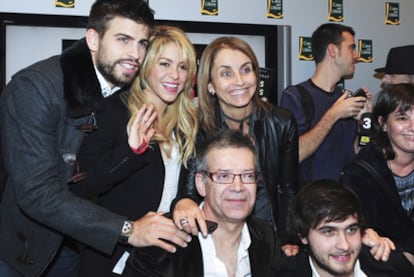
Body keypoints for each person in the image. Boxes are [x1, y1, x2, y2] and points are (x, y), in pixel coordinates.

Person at [0, 1, 184, 276]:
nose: (135, 53)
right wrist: (128, 229)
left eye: (142, 43)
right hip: (26, 249)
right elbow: (38, 194)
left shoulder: (128, 89)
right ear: (93, 39)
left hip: (81, 246)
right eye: (123, 39)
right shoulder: (35, 88)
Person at [69, 25, 198, 276]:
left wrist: (187, 200)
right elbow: (80, 186)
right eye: (164, 64)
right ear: (145, 65)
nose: (175, 75)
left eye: (183, 66)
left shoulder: (187, 122)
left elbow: (190, 186)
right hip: (117, 258)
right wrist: (130, 151)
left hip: (168, 260)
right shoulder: (113, 112)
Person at [170, 36, 300, 255]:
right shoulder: (196, 128)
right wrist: (182, 203)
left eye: (246, 70)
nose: (240, 81)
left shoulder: (282, 122)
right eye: (226, 73)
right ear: (210, 85)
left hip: (270, 238)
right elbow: (190, 192)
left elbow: (290, 189)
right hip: (216, 237)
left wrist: (287, 238)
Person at [122, 130, 282, 276]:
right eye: (223, 176)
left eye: (247, 175)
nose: (238, 187)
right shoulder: (163, 242)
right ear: (201, 184)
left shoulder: (265, 237)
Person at [280, 23, 371, 185]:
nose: (357, 55)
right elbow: (294, 155)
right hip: (312, 204)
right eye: (351, 48)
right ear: (333, 51)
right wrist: (334, 114)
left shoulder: (346, 99)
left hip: (348, 198)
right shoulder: (296, 96)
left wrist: (365, 122)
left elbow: (356, 155)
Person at [276, 179, 414, 276]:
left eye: (351, 229)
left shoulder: (391, 268)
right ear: (303, 236)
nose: (345, 245)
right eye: (329, 232)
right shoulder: (283, 271)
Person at [342, 84, 414, 266]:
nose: (412, 127)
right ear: (382, 124)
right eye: (403, 118)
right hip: (382, 266)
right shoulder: (361, 171)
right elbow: (351, 230)